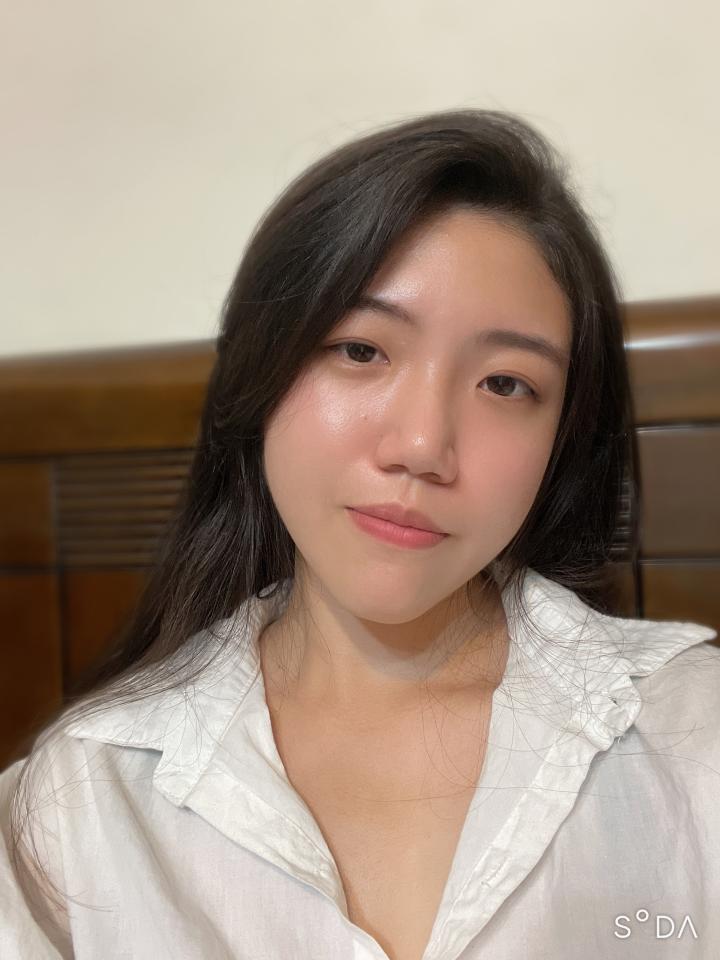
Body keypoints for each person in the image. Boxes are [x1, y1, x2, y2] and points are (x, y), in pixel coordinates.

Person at [1, 109, 718, 960]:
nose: (421, 446)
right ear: (261, 372)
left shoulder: (691, 735)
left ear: (563, 439)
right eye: (360, 351)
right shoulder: (83, 800)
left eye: (504, 383)